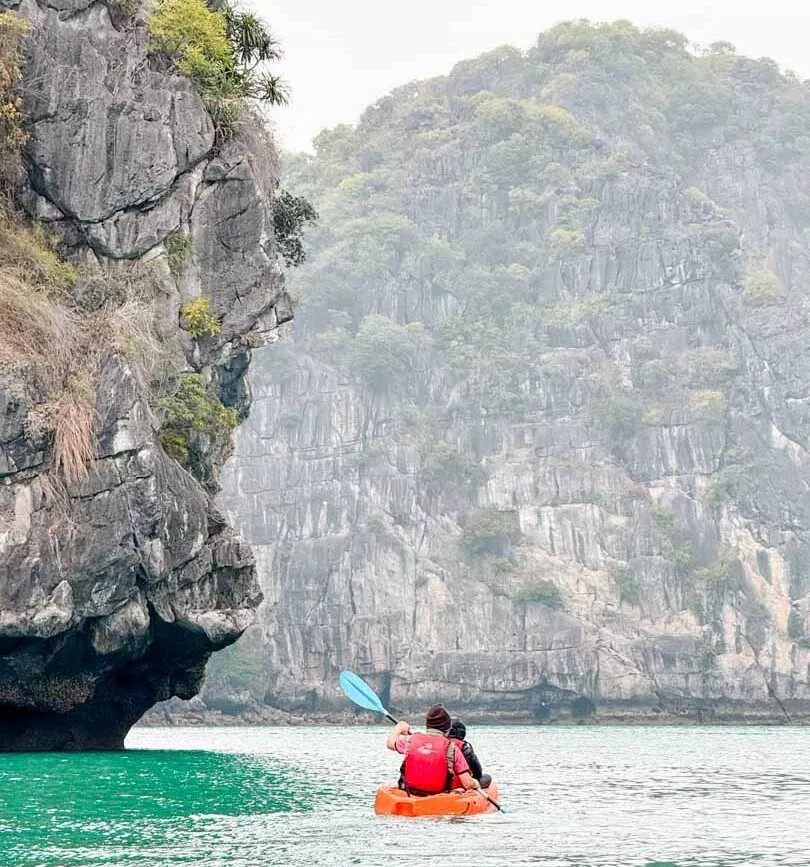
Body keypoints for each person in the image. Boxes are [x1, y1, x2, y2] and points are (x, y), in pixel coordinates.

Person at [387, 703, 481, 795]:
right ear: (447, 729)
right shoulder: (452, 748)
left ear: (428, 725)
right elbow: (468, 784)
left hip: (411, 792)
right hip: (438, 797)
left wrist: (399, 728)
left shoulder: (410, 740)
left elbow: (390, 744)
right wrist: (476, 783)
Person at [448, 718, 491, 789]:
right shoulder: (465, 748)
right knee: (487, 777)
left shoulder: (443, 744)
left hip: (443, 783)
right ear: (463, 734)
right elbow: (478, 772)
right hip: (462, 783)